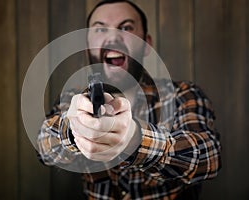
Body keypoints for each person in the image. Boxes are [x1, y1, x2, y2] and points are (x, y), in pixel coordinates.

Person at [37, 0, 221, 199]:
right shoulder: (70, 99)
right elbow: (44, 148)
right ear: (87, 46)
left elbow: (208, 158)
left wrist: (136, 140)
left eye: (126, 28)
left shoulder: (183, 94)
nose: (113, 37)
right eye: (100, 30)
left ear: (146, 44)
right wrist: (75, 129)